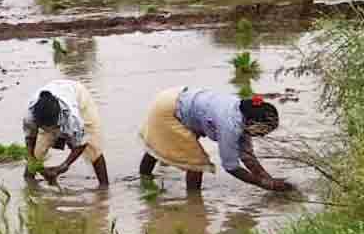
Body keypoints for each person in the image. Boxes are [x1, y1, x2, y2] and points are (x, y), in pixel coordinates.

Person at [139, 88, 292, 192]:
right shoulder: (230, 126)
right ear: (253, 124)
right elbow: (231, 167)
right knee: (197, 163)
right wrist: (264, 184)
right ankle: (194, 203)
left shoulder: (243, 112)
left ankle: (144, 179)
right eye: (264, 131)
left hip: (174, 96)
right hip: (168, 110)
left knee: (158, 143)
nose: (263, 135)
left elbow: (247, 155)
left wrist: (269, 179)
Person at [23, 80, 109, 188]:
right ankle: (29, 184)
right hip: (56, 94)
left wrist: (63, 166)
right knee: (37, 151)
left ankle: (104, 188)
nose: (51, 131)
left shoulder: (72, 117)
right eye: (45, 128)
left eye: (52, 128)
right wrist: (32, 159)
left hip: (79, 97)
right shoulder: (30, 116)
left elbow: (82, 142)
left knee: (93, 147)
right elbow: (30, 138)